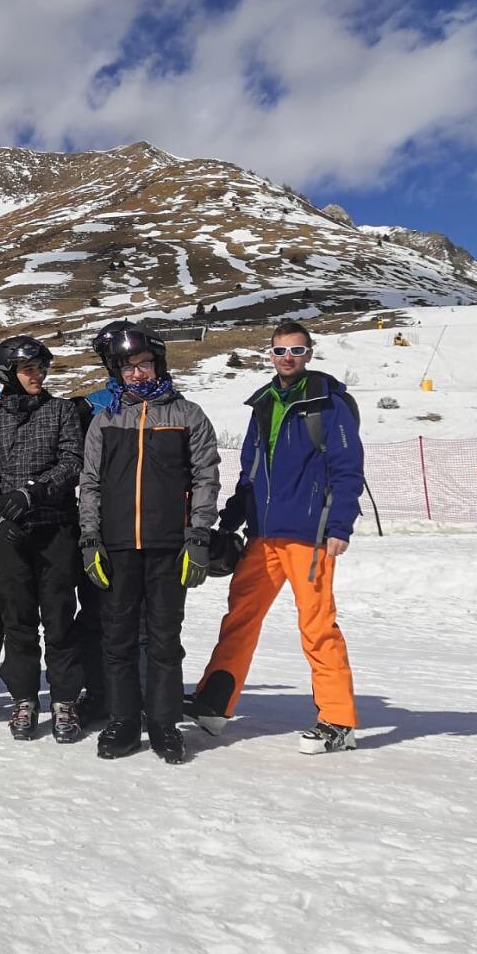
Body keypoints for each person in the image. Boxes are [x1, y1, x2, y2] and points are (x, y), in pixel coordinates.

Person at [190, 320, 367, 753]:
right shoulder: (264, 403)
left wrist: (340, 525)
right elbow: (249, 474)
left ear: (310, 354)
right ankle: (214, 704)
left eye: (297, 350)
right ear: (269, 354)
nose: (289, 358)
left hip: (309, 536)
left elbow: (347, 469)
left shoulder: (329, 403)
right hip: (262, 535)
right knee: (240, 616)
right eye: (281, 350)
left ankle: (338, 721)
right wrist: (230, 521)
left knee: (317, 625)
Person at [78, 325, 220, 765]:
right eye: (128, 368)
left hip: (168, 546)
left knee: (163, 639)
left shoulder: (188, 414)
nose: (137, 374)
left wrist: (199, 535)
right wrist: (90, 539)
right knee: (117, 639)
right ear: (117, 374)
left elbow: (206, 477)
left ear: (158, 364)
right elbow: (90, 484)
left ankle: (163, 722)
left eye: (143, 364)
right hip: (118, 547)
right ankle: (123, 720)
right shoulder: (105, 420)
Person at [0, 336, 85, 742]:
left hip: (55, 528)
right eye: (28, 369)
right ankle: (24, 697)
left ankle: (64, 699)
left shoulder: (61, 411)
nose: (38, 375)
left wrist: (32, 492)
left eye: (41, 368)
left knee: (59, 619)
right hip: (10, 535)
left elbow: (72, 461)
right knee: (17, 621)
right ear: (8, 375)